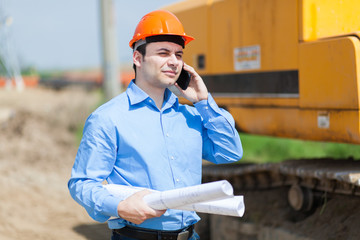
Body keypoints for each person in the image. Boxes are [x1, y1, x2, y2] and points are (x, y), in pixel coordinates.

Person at [68, 10, 243, 240]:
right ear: (137, 58)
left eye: (179, 54)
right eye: (163, 53)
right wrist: (120, 206)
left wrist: (203, 101)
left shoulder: (191, 116)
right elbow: (82, 183)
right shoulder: (108, 118)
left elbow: (229, 153)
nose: (173, 61)